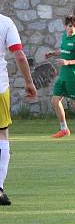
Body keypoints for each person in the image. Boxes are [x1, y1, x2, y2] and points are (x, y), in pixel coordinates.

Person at [0, 12, 38, 205]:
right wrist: (29, 83)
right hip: (0, 88)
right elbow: (20, 56)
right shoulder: (6, 23)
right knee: (2, 135)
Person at [45, 15, 75, 139]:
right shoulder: (64, 37)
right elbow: (65, 51)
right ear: (65, 26)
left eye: (74, 26)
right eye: (69, 26)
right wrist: (53, 53)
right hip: (63, 76)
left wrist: (68, 62)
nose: (72, 28)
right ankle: (64, 129)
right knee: (55, 101)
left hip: (73, 77)